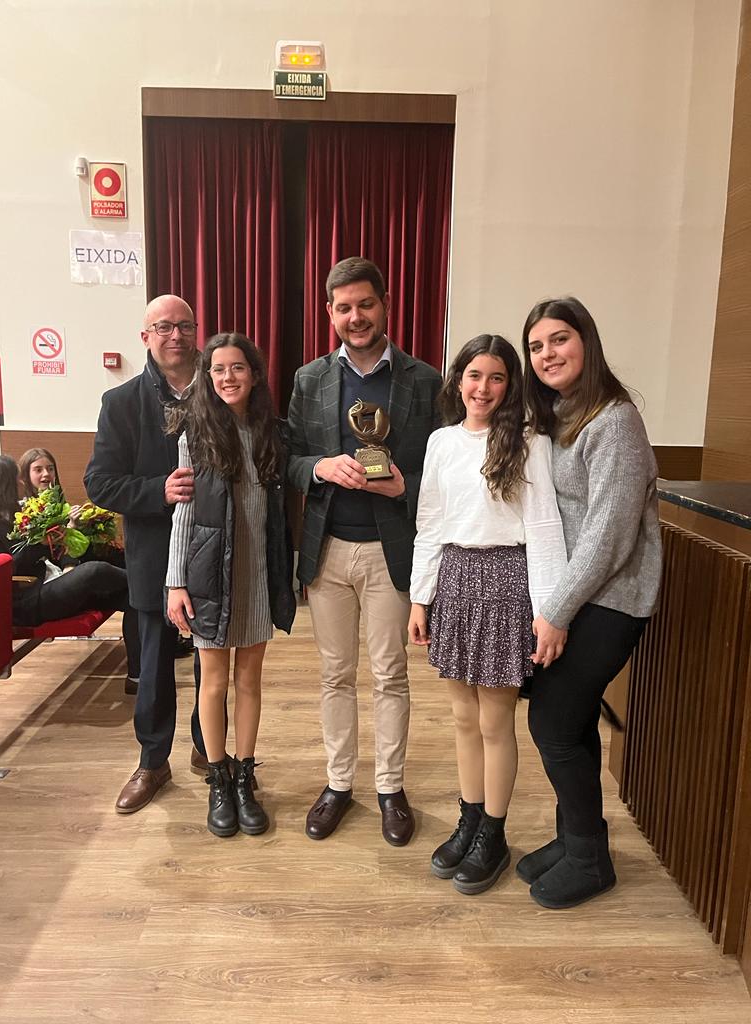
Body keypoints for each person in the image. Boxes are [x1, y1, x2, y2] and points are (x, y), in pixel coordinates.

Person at [287, 256, 442, 845]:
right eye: (343, 308)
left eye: (365, 304)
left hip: (390, 550)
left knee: (391, 674)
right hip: (327, 550)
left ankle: (390, 787)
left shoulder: (426, 381)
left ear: (385, 305)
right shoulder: (310, 379)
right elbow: (290, 459)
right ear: (330, 314)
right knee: (334, 674)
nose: (356, 316)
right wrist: (320, 466)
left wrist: (407, 486)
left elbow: (449, 471)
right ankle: (338, 784)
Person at [408, 335, 566, 894]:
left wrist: (548, 612)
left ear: (511, 385)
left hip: (506, 582)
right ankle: (469, 817)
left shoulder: (529, 441)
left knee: (496, 722)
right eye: (474, 375)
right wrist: (420, 596)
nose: (483, 388)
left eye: (496, 378)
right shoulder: (441, 442)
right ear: (458, 380)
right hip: (453, 577)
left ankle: (494, 833)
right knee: (461, 718)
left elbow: (546, 530)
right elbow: (430, 521)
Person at [518, 296, 662, 909]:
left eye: (559, 340)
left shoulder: (615, 422)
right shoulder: (560, 416)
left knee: (552, 723)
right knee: (570, 722)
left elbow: (608, 535)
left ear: (587, 342)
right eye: (537, 345)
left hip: (611, 599)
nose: (548, 354)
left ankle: (590, 860)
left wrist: (556, 612)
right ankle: (578, 838)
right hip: (577, 594)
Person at [165, 333, 295, 838]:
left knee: (250, 680)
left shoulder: (272, 434)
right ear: (207, 377)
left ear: (255, 375)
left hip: (259, 573)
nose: (228, 378)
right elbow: (184, 517)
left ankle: (245, 774)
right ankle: (217, 777)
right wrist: (176, 582)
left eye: (237, 368)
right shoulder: (194, 436)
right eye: (218, 369)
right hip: (208, 575)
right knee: (213, 681)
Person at [84, 294, 210, 814]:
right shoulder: (122, 402)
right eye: (163, 327)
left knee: (215, 657)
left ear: (195, 330)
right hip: (154, 556)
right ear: (146, 337)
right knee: (155, 662)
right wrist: (158, 491)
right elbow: (99, 482)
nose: (175, 335)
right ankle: (153, 761)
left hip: (215, 550)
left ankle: (212, 750)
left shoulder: (224, 388)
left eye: (183, 325)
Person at [18, 446, 141, 693]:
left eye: (50, 469)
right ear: (25, 476)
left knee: (133, 596)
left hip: (64, 578)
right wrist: (58, 544)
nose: (45, 475)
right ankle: (152, 583)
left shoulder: (59, 505)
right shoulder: (22, 513)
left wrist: (78, 528)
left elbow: (72, 553)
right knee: (99, 571)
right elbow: (32, 559)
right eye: (38, 469)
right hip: (41, 588)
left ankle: (137, 677)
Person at [0, 455, 132, 631]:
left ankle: (145, 654)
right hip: (27, 600)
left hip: (48, 581)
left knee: (130, 595)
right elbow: (7, 570)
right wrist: (41, 545)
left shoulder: (18, 514)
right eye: (18, 479)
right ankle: (149, 580)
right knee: (94, 571)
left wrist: (60, 540)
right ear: (5, 486)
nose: (22, 483)